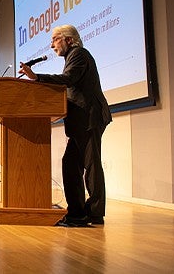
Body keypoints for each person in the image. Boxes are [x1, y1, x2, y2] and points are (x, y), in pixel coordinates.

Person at [19, 24, 112, 227]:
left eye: (55, 39)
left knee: (91, 166)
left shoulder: (79, 54)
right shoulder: (73, 56)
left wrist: (37, 77)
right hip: (81, 120)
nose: (51, 45)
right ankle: (78, 212)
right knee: (71, 165)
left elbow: (68, 80)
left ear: (69, 40)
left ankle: (94, 213)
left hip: (89, 118)